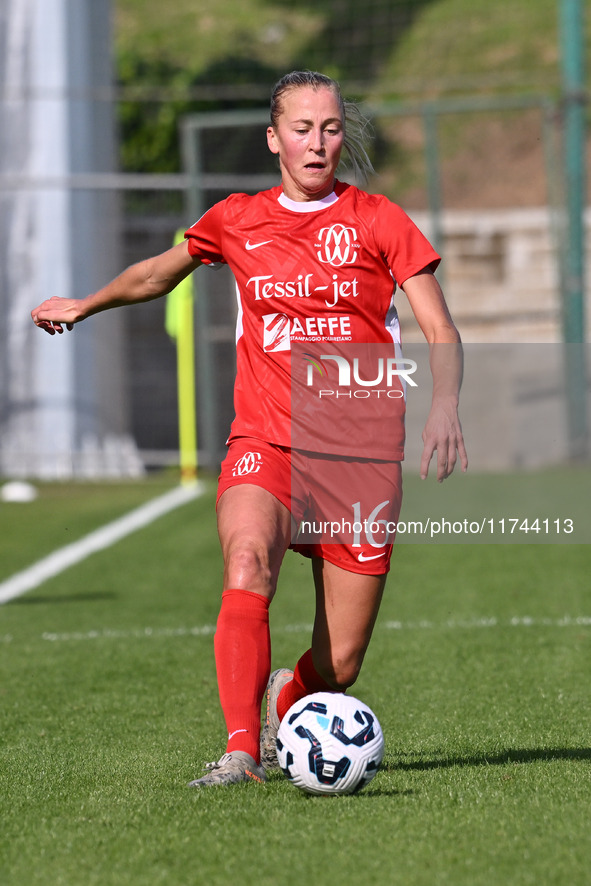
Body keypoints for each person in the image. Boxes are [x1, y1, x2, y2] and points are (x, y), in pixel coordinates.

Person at [31, 70, 468, 788]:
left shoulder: (378, 219)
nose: (318, 142)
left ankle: (286, 696)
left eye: (330, 128)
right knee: (246, 563)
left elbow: (438, 327)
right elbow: (154, 275)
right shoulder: (235, 219)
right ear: (274, 139)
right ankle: (240, 751)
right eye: (302, 128)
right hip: (264, 439)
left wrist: (446, 404)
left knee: (341, 666)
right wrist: (86, 303)